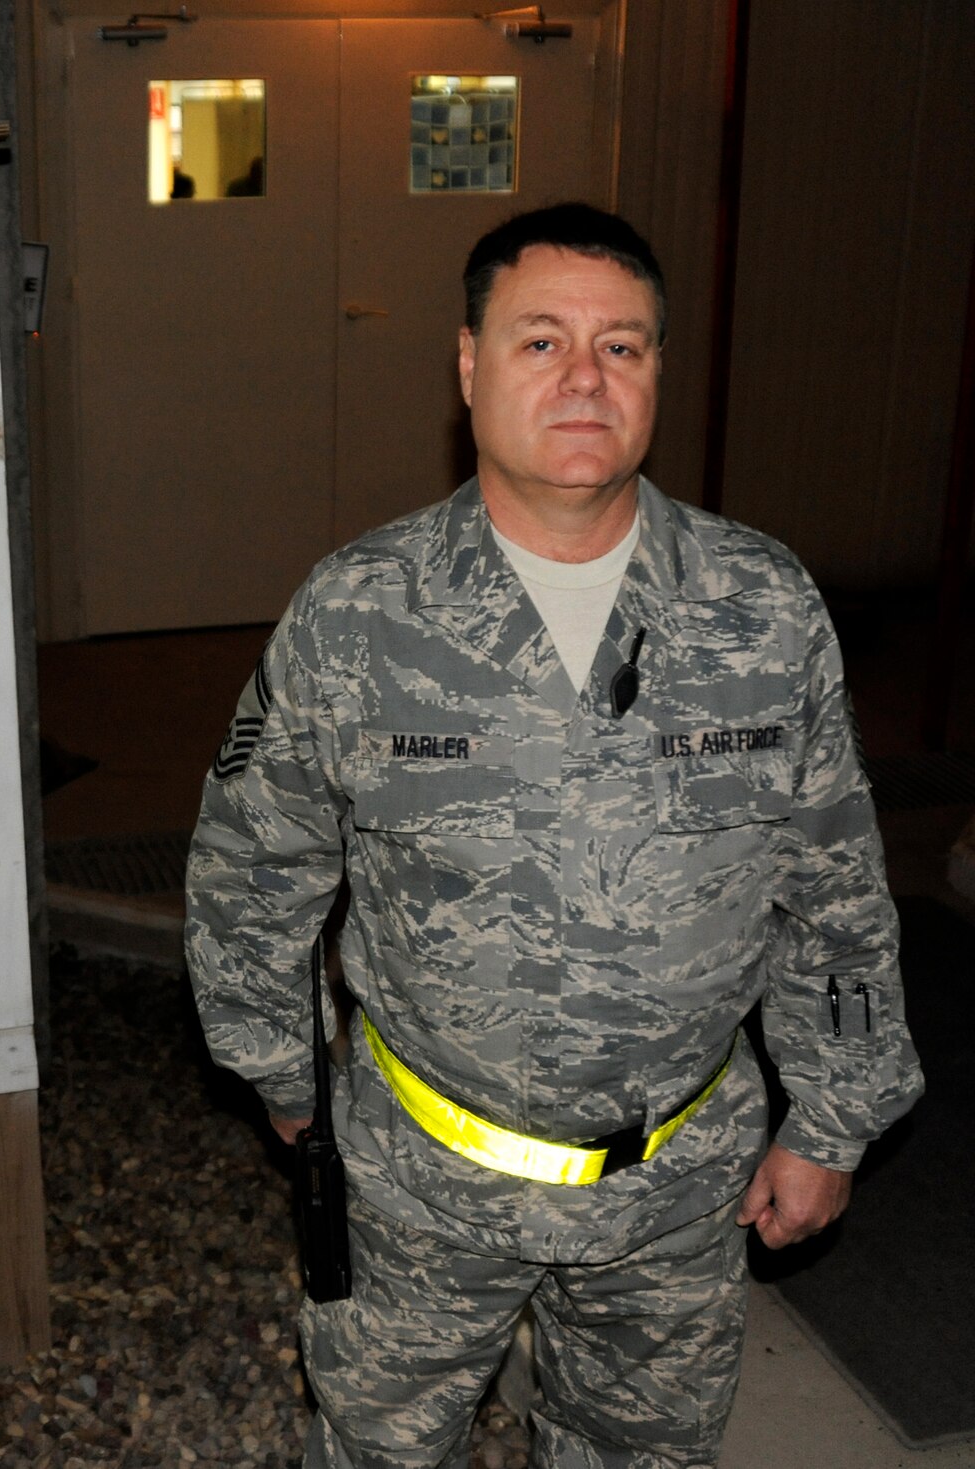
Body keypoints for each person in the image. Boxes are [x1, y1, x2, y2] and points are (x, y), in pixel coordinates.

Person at [184, 202, 923, 1469]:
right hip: (421, 1184)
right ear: (466, 365)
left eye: (621, 346)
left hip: (677, 1192)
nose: (584, 376)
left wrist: (829, 1117)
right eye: (539, 343)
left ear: (656, 372)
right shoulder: (357, 614)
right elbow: (252, 864)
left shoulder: (758, 604)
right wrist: (280, 1076)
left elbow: (830, 878)